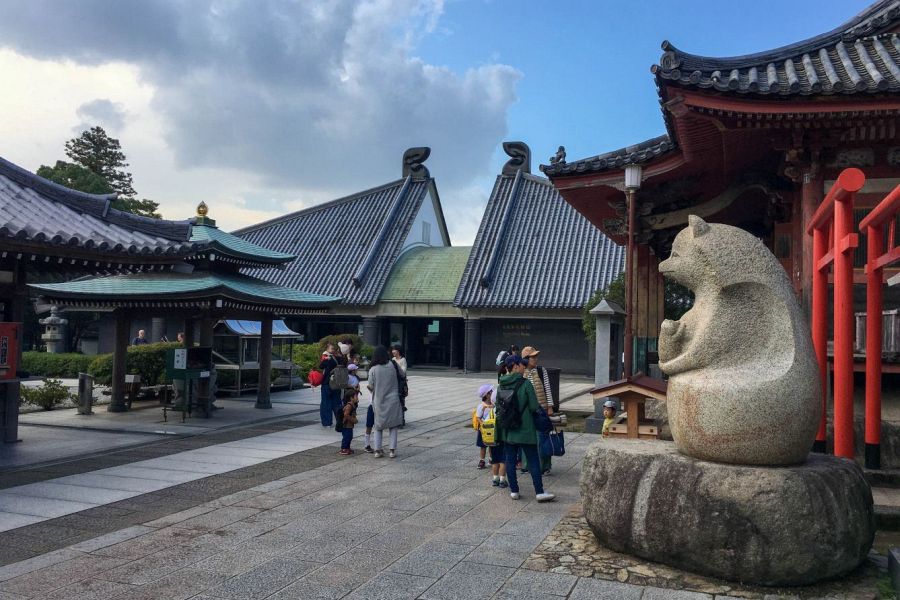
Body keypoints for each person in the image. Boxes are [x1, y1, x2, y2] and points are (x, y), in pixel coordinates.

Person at [497, 355, 554, 502]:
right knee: (533, 460)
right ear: (515, 366)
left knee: (510, 460)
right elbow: (535, 406)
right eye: (522, 365)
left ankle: (514, 491)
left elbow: (498, 409)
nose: (524, 367)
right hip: (526, 429)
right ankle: (539, 492)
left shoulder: (500, 385)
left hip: (508, 430)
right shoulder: (526, 384)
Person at [521, 346, 554, 475]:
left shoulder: (541, 370)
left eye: (536, 356)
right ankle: (527, 465)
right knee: (527, 438)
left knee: (543, 437)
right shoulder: (521, 371)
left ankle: (545, 466)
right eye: (532, 357)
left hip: (541, 409)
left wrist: (550, 407)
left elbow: (547, 388)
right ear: (525, 359)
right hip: (527, 411)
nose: (535, 359)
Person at [367, 345, 404, 458]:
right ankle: (392, 451)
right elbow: (402, 375)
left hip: (379, 400)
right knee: (393, 426)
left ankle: (378, 451)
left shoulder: (373, 369)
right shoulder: (393, 364)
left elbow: (370, 386)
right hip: (393, 400)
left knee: (378, 426)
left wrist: (376, 389)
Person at [474, 384, 493, 469]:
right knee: (483, 446)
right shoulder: (481, 406)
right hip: (483, 429)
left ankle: (491, 459)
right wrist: (482, 425)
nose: (493, 393)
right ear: (487, 394)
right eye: (491, 391)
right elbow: (478, 417)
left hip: (492, 428)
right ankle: (482, 460)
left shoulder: (493, 404)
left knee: (492, 445)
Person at [319, 344, 338, 427]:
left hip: (327, 383)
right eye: (332, 348)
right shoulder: (336, 358)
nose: (333, 350)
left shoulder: (328, 358)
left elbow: (321, 366)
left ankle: (327, 422)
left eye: (333, 348)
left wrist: (325, 359)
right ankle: (339, 420)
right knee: (336, 403)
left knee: (326, 403)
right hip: (336, 384)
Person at [338, 387, 360, 455]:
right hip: (346, 425)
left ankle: (347, 448)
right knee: (347, 436)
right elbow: (346, 415)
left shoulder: (353, 405)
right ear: (351, 398)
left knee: (350, 436)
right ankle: (343, 448)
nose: (357, 398)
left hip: (349, 425)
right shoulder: (349, 406)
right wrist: (353, 420)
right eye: (356, 396)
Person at [391, 345, 408, 427]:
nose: (393, 351)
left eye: (394, 350)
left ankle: (402, 419)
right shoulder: (393, 360)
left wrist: (396, 368)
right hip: (393, 382)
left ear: (398, 351)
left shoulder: (403, 360)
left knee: (401, 400)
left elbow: (403, 372)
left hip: (400, 383)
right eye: (392, 350)